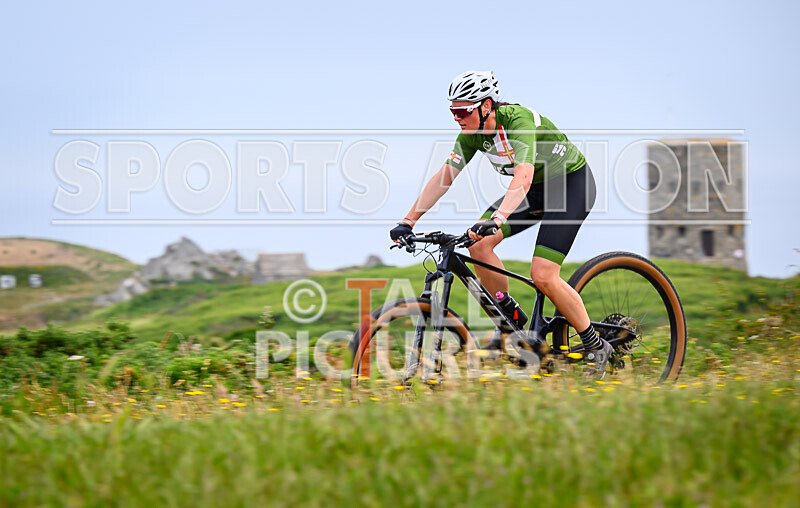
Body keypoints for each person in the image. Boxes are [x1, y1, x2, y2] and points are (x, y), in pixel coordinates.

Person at [389, 70, 613, 378]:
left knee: (543, 274)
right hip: (534, 193)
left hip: (570, 188)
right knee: (478, 245)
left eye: (463, 111)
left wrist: (498, 219)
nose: (457, 118)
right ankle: (511, 322)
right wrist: (408, 221)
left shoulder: (519, 122)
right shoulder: (472, 134)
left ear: (486, 106)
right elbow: (445, 176)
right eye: (453, 111)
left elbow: (523, 175)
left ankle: (596, 345)